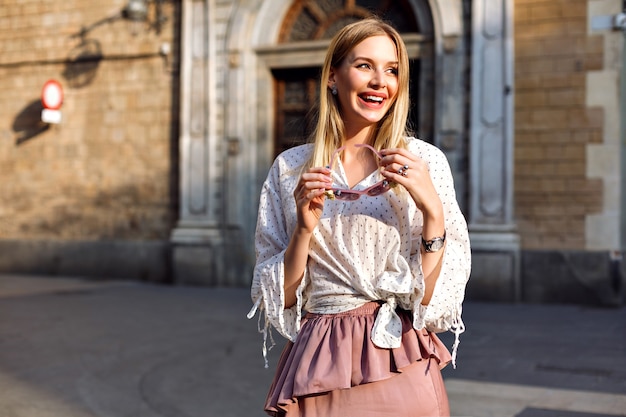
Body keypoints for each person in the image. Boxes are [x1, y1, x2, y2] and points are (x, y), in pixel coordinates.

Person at [248, 17, 471, 417]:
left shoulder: (424, 162)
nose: (379, 81)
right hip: (320, 356)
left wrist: (432, 212)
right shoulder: (290, 169)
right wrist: (304, 228)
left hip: (398, 355)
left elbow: (432, 299)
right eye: (364, 65)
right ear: (333, 76)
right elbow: (279, 296)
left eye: (392, 70)